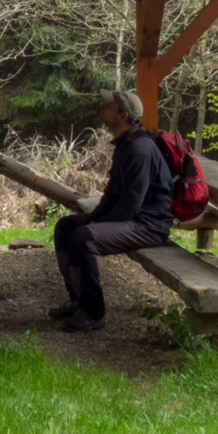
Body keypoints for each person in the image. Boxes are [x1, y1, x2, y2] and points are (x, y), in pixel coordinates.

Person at [50, 89, 173, 332]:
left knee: (82, 239)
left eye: (108, 105)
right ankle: (78, 299)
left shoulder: (140, 149)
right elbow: (113, 193)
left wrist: (97, 225)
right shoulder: (126, 145)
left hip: (149, 225)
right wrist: (95, 217)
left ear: (123, 114)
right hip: (133, 218)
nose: (102, 106)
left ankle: (92, 312)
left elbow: (132, 203)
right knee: (66, 226)